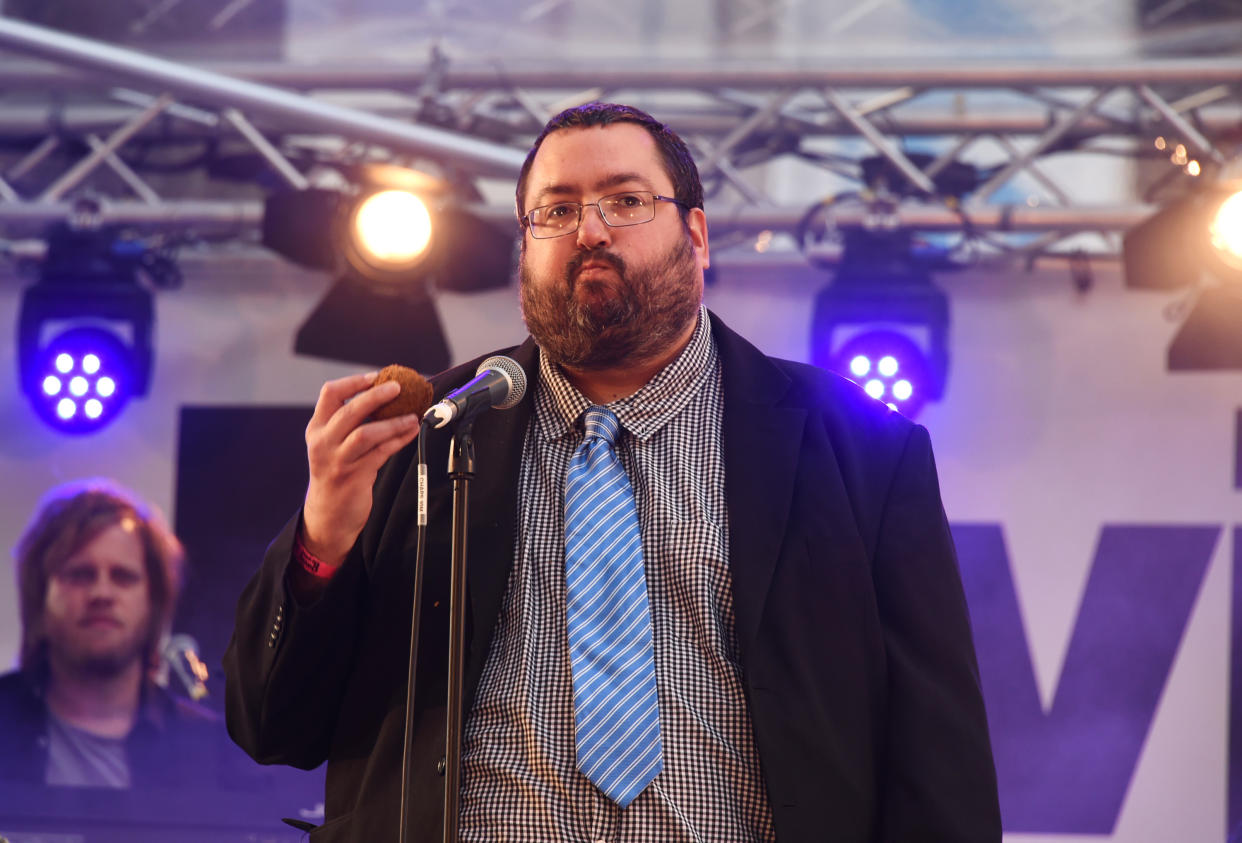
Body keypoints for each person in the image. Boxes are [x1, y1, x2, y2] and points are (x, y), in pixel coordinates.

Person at [224, 103, 1001, 842]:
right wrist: (324, 533)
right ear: (525, 246)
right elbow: (273, 726)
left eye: (626, 200)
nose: (589, 229)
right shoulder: (430, 434)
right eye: (555, 211)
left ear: (696, 234)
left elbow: (940, 762)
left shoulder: (859, 450)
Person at [0, 479, 223, 790]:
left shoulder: (210, 751)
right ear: (40, 597)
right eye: (79, 575)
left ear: (153, 601)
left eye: (123, 577)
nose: (102, 593)